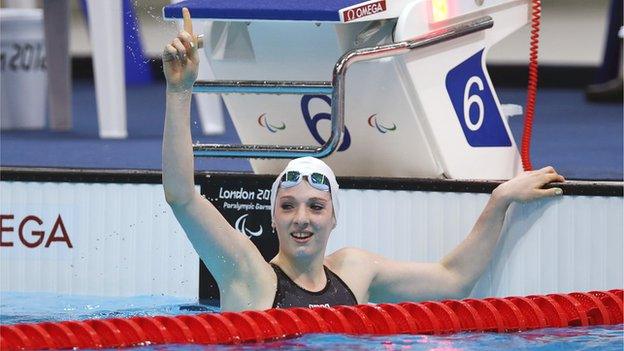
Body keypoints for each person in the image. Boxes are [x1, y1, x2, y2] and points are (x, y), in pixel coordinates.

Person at [162, 8, 566, 312]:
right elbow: (181, 196)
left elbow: (453, 279)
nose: (301, 218)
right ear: (272, 218)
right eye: (288, 206)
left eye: (316, 206)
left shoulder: (355, 272)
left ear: (335, 216)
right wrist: (180, 92)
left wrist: (500, 200)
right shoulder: (249, 276)